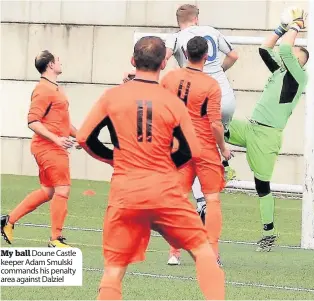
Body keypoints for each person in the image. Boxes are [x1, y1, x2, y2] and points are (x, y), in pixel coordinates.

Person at [77, 36, 224, 300]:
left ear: (133, 62)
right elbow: (192, 150)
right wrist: (168, 165)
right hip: (164, 191)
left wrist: (114, 158)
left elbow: (85, 138)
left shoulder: (112, 97)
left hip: (125, 193)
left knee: (113, 271)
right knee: (203, 251)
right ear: (164, 63)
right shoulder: (172, 103)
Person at [224, 8, 308, 252]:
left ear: (300, 61)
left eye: (295, 52)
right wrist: (282, 28)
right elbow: (264, 49)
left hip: (267, 137)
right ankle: (225, 169)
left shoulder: (299, 76)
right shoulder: (281, 70)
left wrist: (296, 25)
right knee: (211, 125)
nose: (290, 51)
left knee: (262, 186)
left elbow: (283, 49)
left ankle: (269, 233)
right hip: (250, 128)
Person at [161, 36, 231, 266]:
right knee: (212, 200)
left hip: (179, 148)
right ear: (207, 55)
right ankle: (211, 253)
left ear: (184, 52)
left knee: (179, 199)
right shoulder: (211, 85)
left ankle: (174, 253)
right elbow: (215, 123)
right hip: (205, 148)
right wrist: (224, 149)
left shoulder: (170, 78)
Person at [1, 51, 78, 248]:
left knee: (48, 191)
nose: (61, 62)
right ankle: (55, 239)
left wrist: (83, 137)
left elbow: (62, 124)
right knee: (62, 189)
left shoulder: (55, 89)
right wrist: (57, 140)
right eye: (58, 60)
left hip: (50, 146)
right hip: (48, 148)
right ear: (51, 65)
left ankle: (8, 221)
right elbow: (32, 121)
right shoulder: (44, 89)